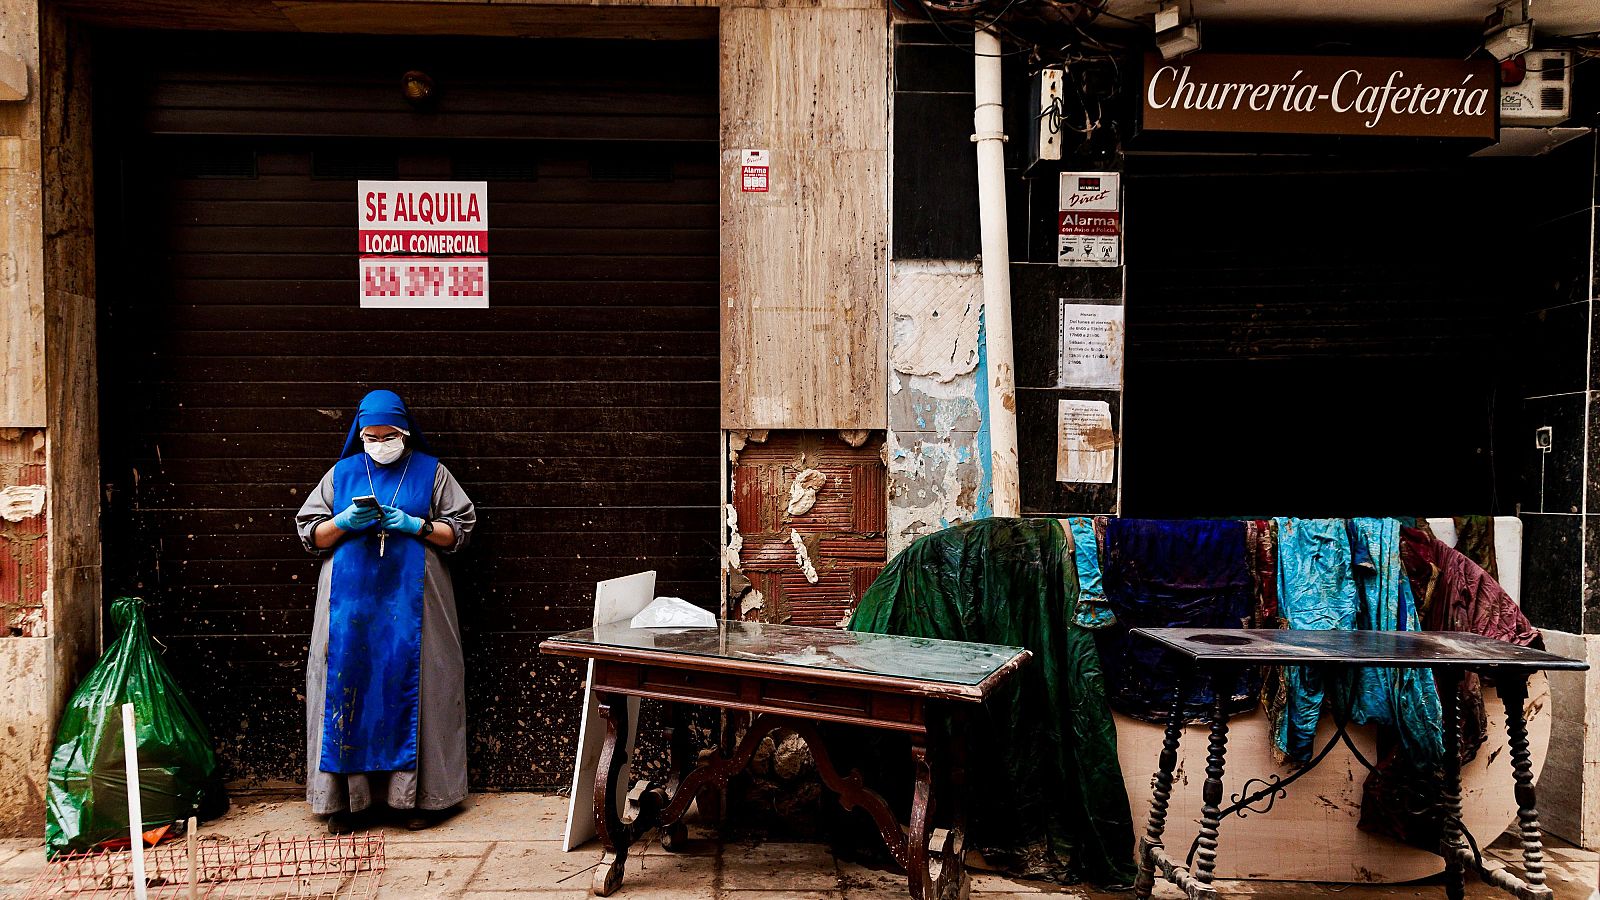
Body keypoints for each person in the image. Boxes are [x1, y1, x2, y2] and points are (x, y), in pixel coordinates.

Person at [294, 389, 477, 833]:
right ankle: (346, 802)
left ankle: (416, 800)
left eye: (388, 435)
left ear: (404, 431)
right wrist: (341, 523)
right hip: (349, 611)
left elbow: (460, 531)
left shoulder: (432, 473)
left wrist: (417, 525)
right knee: (346, 686)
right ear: (359, 434)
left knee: (420, 687)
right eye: (370, 436)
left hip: (414, 606)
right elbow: (310, 533)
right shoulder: (342, 474)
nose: (379, 442)